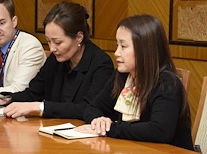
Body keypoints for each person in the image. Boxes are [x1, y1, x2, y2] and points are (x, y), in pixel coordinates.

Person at [75, 14, 193, 150]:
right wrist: (99, 121)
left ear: (145, 50)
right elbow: (92, 108)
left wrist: (111, 128)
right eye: (117, 45)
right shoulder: (122, 76)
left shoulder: (167, 83)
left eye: (123, 46)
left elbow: (159, 131)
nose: (116, 53)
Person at [0, 1, 114, 120]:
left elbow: (89, 108)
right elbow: (34, 93)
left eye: (58, 42)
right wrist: (8, 98)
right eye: (48, 41)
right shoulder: (56, 59)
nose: (52, 48)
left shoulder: (101, 64)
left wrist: (40, 107)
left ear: (79, 37)